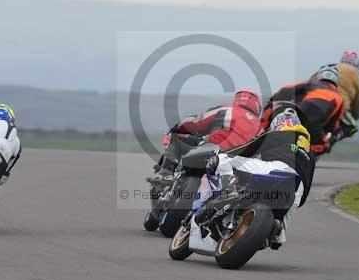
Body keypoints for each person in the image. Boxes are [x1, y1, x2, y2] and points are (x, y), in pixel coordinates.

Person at [203, 107, 315, 249]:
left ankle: (229, 191)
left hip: (275, 169)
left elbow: (247, 149)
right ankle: (277, 233)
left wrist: (223, 153)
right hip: (297, 188)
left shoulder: (277, 134)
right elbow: (307, 187)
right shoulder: (310, 152)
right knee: (279, 230)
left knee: (221, 160)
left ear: (278, 124)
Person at [146, 90, 262, 184]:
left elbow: (196, 122)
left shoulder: (227, 109)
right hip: (241, 162)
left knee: (176, 139)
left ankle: (166, 173)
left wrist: (176, 128)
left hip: (215, 149)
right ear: (257, 106)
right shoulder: (260, 127)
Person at [261, 65, 343, 156]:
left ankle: (260, 133)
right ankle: (305, 155)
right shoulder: (339, 98)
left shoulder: (311, 84)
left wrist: (273, 99)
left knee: (271, 107)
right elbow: (333, 125)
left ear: (319, 76)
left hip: (298, 115)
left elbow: (286, 89)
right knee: (324, 145)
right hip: (314, 128)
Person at [331, 51, 359, 143]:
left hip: (313, 97)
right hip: (339, 106)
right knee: (353, 128)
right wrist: (354, 116)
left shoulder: (331, 68)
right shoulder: (357, 75)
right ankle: (330, 141)